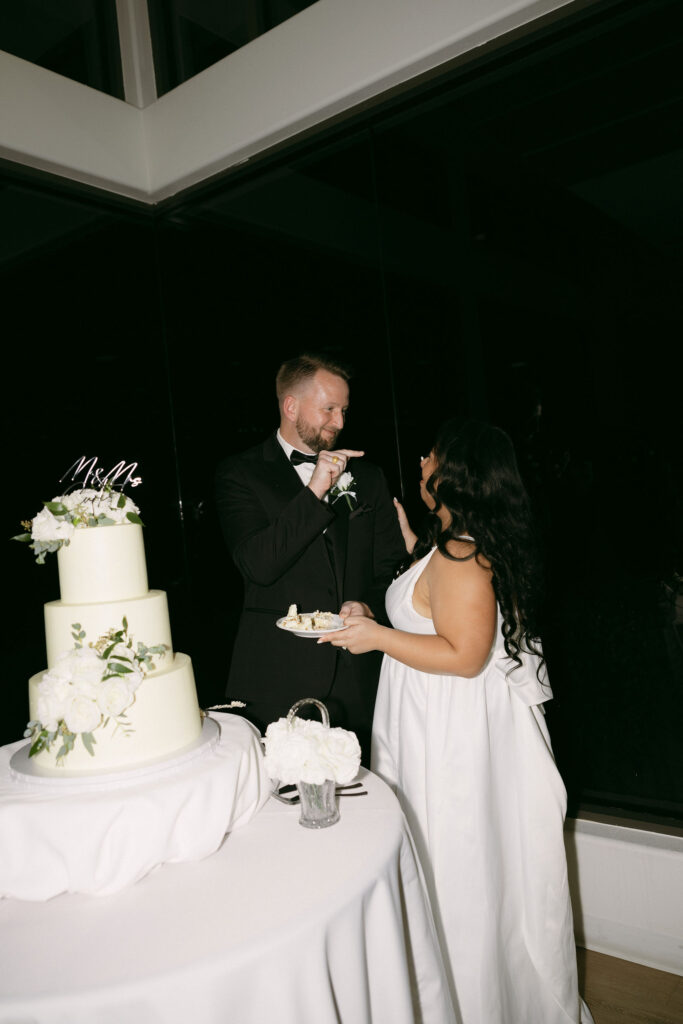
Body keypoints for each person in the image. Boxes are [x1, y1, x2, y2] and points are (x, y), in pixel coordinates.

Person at [319, 418, 594, 1024]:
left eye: (431, 454)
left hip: (449, 732)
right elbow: (434, 613)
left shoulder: (463, 557)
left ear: (453, 474)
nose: (422, 460)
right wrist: (380, 603)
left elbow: (466, 656)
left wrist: (375, 638)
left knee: (455, 861)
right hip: (432, 717)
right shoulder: (452, 544)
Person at [214, 353, 405, 761]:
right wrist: (315, 489)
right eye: (329, 409)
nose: (339, 422)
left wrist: (369, 606)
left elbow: (389, 566)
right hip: (275, 676)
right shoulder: (240, 474)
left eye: (344, 410)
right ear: (291, 406)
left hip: (358, 679)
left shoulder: (368, 477)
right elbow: (259, 565)